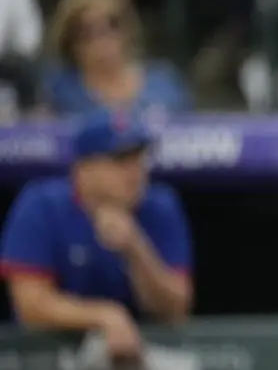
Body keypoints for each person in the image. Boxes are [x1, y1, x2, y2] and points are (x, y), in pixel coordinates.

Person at [0, 109, 192, 361]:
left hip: (140, 353)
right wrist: (105, 316)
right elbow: (31, 306)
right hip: (51, 352)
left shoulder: (159, 206)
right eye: (119, 160)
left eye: (138, 158)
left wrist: (135, 248)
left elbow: (175, 311)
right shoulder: (41, 204)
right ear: (83, 169)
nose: (134, 172)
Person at [43, 0, 191, 117]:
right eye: (87, 35)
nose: (101, 43)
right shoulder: (61, 92)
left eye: (111, 28)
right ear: (71, 44)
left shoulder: (164, 82)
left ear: (127, 32)